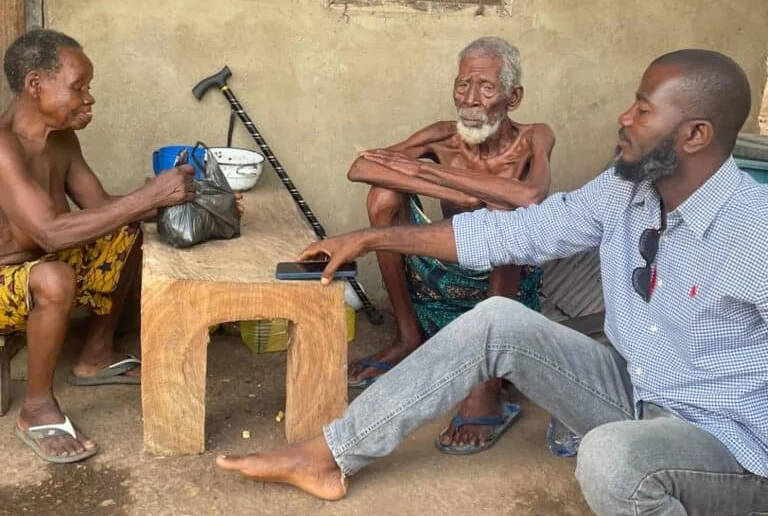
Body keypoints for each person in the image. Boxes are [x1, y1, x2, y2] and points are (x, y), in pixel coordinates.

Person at [216, 49, 768, 516]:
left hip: (732, 444)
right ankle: (331, 455)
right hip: (641, 392)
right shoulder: (625, 190)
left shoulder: (756, 233)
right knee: (496, 321)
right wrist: (369, 238)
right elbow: (519, 231)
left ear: (695, 134)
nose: (624, 117)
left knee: (612, 458)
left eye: (644, 110)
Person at [345, 36, 554, 453]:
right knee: (381, 197)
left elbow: (531, 196)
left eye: (487, 88)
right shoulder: (442, 137)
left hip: (506, 284)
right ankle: (408, 337)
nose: (471, 100)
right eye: (463, 85)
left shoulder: (534, 137)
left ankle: (487, 383)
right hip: (443, 273)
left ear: (514, 97)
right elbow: (361, 166)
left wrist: (443, 180)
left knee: (504, 215)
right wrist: (454, 196)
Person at [0, 29, 196, 464]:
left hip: (39, 265)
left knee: (125, 235)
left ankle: (95, 356)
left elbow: (105, 210)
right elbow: (50, 233)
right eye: (78, 88)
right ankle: (35, 409)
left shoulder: (63, 142)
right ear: (36, 85)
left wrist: (183, 196)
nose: (89, 99)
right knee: (54, 276)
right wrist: (148, 197)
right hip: (9, 280)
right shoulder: (2, 146)